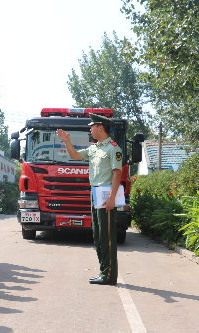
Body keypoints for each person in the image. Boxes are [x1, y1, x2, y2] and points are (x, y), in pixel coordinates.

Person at [56, 113, 122, 285]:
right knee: (98, 236)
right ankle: (103, 272)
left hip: (106, 195)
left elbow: (117, 174)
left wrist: (112, 198)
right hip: (95, 194)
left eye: (92, 126)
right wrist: (66, 141)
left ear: (101, 127)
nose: (90, 129)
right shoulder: (94, 148)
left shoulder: (113, 148)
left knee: (107, 236)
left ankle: (109, 275)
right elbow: (75, 156)